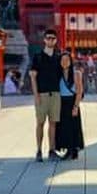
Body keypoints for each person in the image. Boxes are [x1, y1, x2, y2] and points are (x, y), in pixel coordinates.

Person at [29, 29, 62, 162]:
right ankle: (38, 150)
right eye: (48, 38)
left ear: (56, 40)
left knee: (53, 123)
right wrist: (36, 95)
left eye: (53, 38)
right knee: (40, 123)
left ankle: (52, 150)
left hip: (55, 94)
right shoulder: (37, 57)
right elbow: (33, 77)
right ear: (44, 40)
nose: (50, 40)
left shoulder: (58, 57)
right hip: (41, 94)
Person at [56, 52, 85, 160]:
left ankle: (74, 149)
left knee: (74, 126)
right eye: (62, 60)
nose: (64, 62)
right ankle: (67, 149)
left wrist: (76, 106)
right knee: (64, 127)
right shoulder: (58, 74)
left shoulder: (76, 73)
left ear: (70, 61)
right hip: (61, 102)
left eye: (67, 60)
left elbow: (79, 91)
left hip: (72, 101)